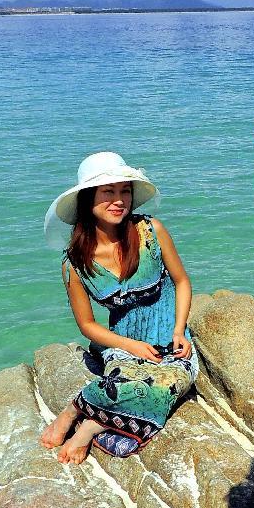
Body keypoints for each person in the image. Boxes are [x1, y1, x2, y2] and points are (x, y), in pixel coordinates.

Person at [40, 151, 199, 463]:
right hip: (121, 343)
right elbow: (87, 325)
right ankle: (73, 410)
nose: (119, 200)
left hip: (170, 336)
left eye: (125, 191)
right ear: (88, 199)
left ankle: (87, 423)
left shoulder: (151, 231)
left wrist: (179, 330)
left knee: (167, 386)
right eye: (108, 192)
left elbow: (181, 281)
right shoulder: (74, 263)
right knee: (124, 385)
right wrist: (131, 347)